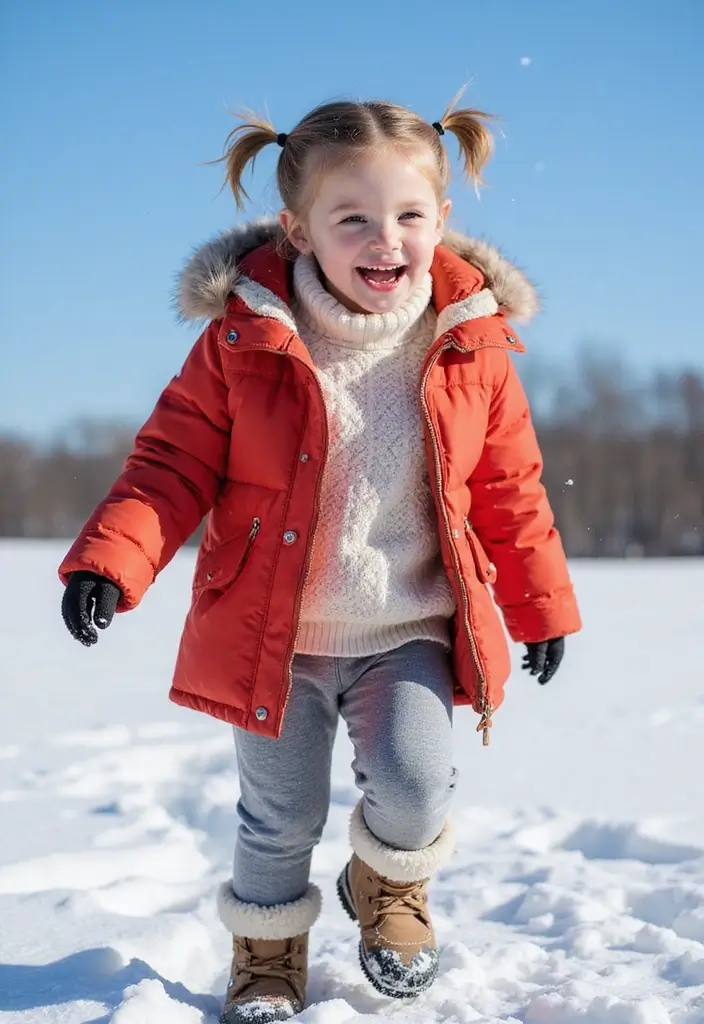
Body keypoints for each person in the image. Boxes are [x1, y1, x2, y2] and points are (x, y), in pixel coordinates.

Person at [59, 93, 581, 1023]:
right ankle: (266, 958)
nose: (387, 240)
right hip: (275, 638)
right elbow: (170, 464)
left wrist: (540, 608)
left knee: (417, 784)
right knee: (280, 815)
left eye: (410, 216)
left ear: (443, 221)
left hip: (409, 629)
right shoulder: (242, 339)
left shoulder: (474, 344)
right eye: (354, 220)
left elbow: (511, 488)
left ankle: (387, 889)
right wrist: (113, 560)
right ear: (299, 230)